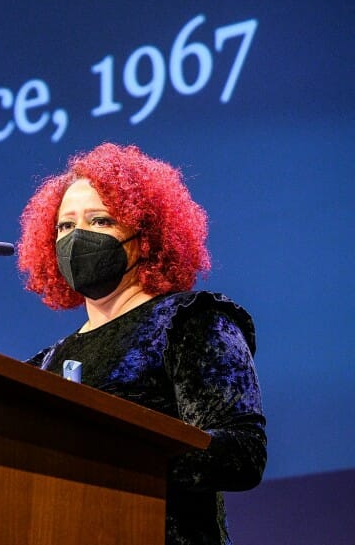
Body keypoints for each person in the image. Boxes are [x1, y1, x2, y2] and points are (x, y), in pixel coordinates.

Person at [18, 143, 266, 545]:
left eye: (99, 221)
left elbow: (242, 454)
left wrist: (107, 456)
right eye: (64, 227)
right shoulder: (45, 363)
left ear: (146, 236)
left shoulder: (190, 320)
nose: (76, 238)